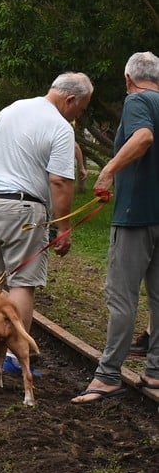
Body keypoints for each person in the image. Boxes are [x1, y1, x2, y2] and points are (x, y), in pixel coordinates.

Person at [0, 72, 92, 373]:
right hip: (22, 207)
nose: (79, 114)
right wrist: (63, 227)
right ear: (70, 99)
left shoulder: (12, 109)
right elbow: (60, 181)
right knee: (22, 281)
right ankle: (15, 356)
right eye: (82, 107)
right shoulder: (60, 128)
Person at [72, 53, 159, 403]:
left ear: (128, 78)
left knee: (121, 299)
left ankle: (108, 376)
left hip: (135, 215)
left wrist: (108, 170)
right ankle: (155, 373)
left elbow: (143, 138)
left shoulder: (138, 100)